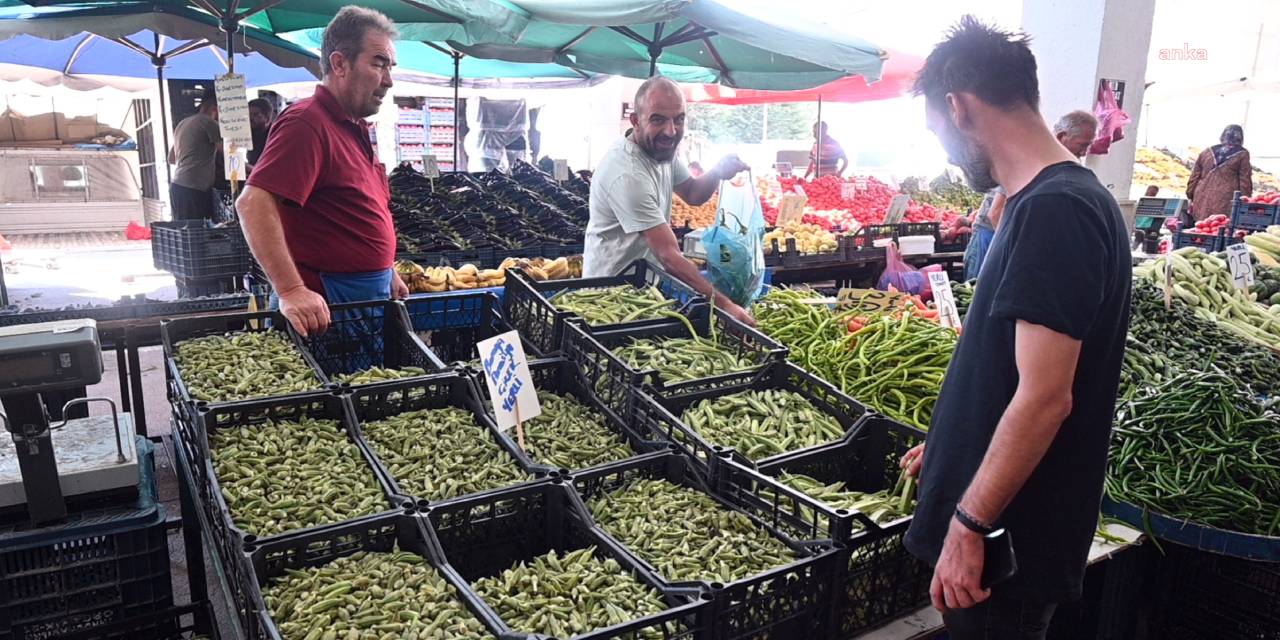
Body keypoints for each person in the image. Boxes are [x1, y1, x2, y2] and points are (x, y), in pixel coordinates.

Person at [900, 17, 1132, 639]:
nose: (946, 153)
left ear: (958, 107)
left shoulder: (1058, 211)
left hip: (1008, 548)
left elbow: (1045, 398)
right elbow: (1012, 368)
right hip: (1004, 529)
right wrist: (953, 445)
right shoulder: (1045, 202)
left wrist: (968, 526)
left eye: (937, 132)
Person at [236, 6, 403, 337]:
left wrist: (387, 271)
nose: (388, 80)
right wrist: (291, 290)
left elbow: (354, 209)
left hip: (365, 296)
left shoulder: (353, 125)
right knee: (340, 386)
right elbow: (253, 204)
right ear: (340, 64)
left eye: (390, 67)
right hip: (329, 307)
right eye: (378, 64)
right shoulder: (307, 123)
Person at [584, 75, 754, 326]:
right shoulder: (627, 174)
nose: (671, 131)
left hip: (643, 292)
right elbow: (669, 256)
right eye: (658, 119)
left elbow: (694, 193)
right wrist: (725, 306)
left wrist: (717, 171)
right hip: (610, 297)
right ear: (635, 121)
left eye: (679, 119)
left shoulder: (661, 151)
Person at [168, 85, 221, 220]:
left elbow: (172, 159)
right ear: (215, 107)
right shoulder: (208, 123)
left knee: (185, 232)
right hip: (194, 188)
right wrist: (254, 169)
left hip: (177, 185)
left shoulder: (183, 123)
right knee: (198, 233)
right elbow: (229, 157)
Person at [1186, 124, 1252, 221]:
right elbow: (1245, 180)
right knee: (1218, 226)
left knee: (1201, 225)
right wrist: (1246, 199)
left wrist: (1190, 194)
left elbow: (1194, 176)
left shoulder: (1207, 152)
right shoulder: (1242, 154)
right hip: (1226, 198)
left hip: (1202, 195)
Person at [962, 186, 1005, 280]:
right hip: (987, 234)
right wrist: (1004, 243)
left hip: (993, 233)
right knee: (975, 284)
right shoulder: (1012, 177)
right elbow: (994, 214)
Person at [246, 98, 274, 167]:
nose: (250, 118)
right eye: (248, 114)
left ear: (267, 118)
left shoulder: (275, 135)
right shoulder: (250, 133)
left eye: (255, 115)